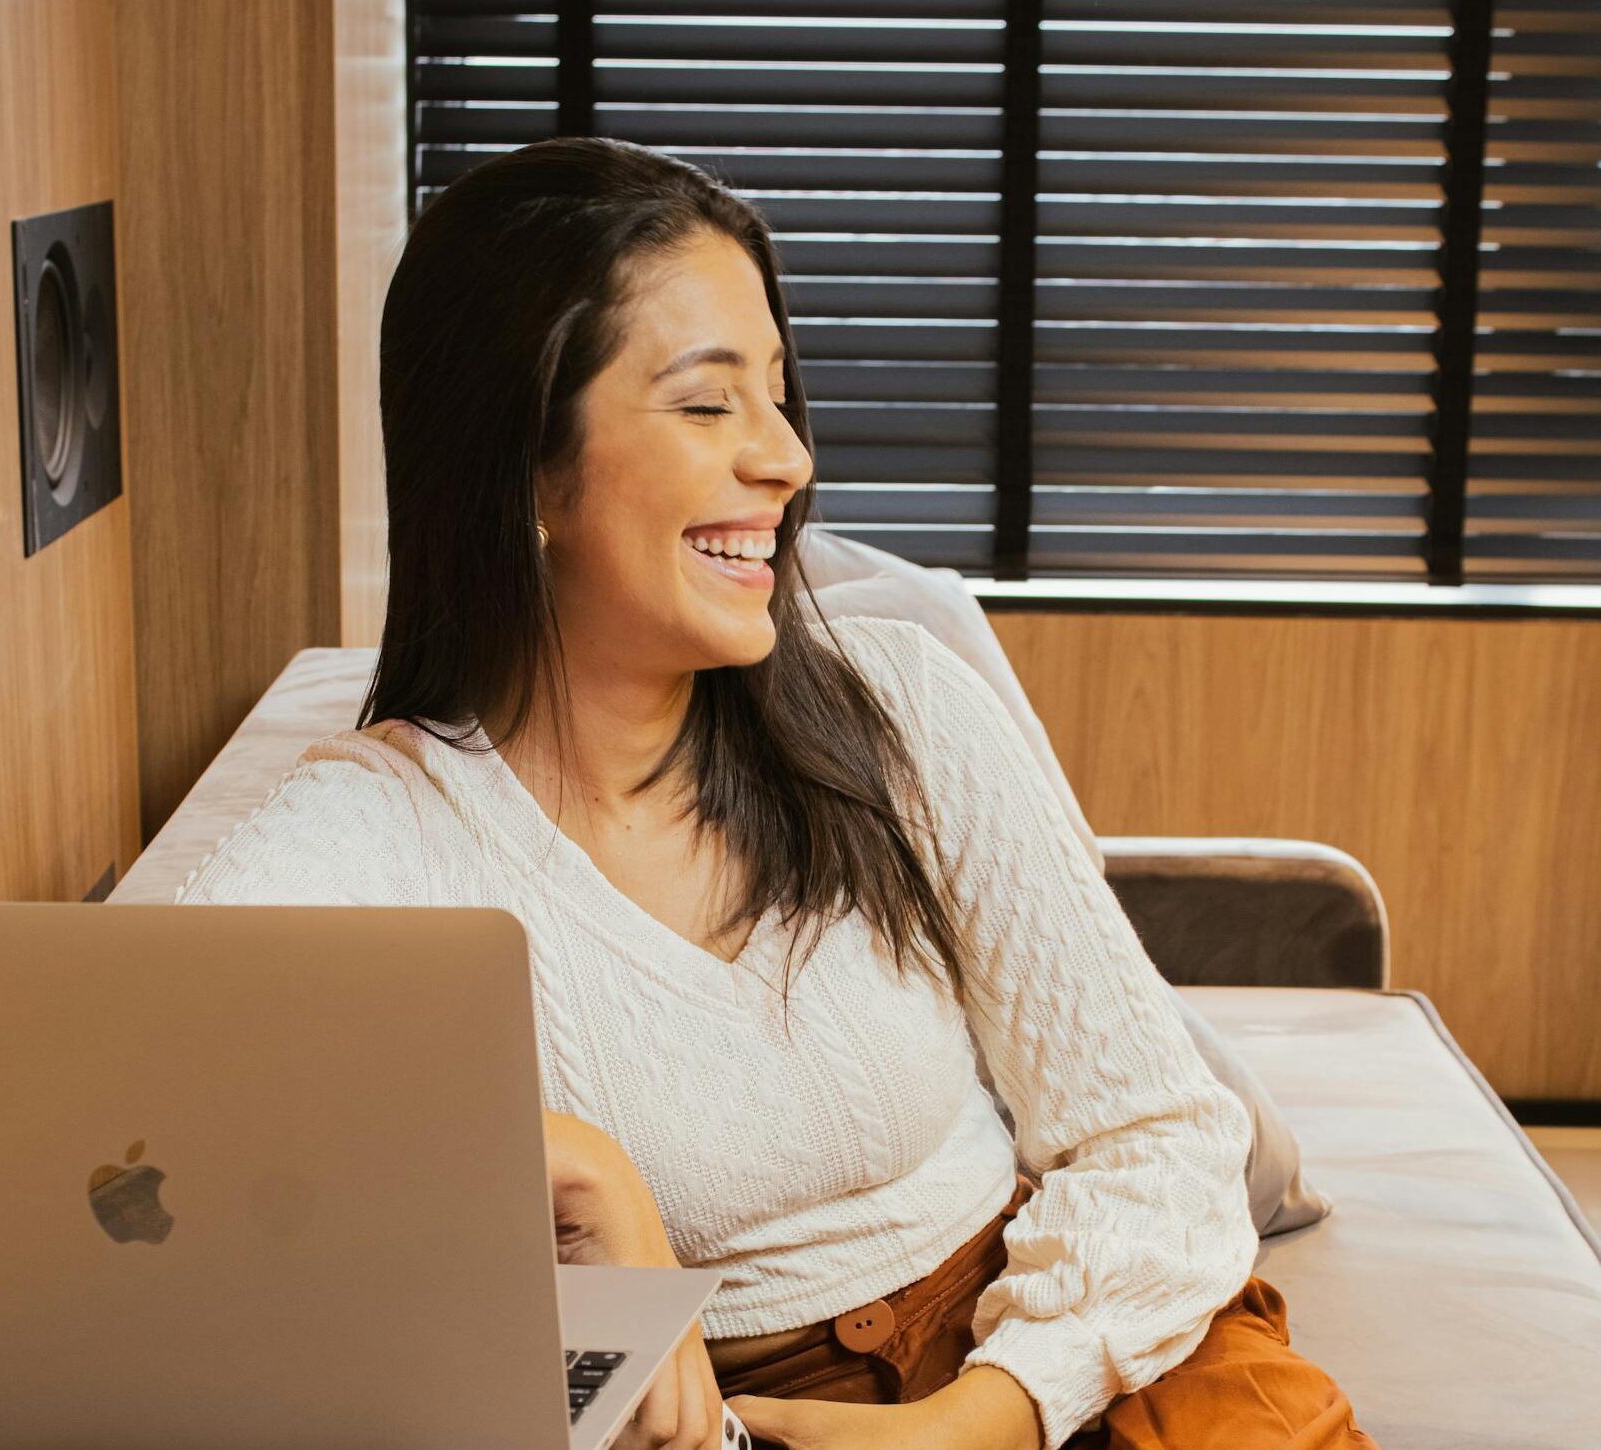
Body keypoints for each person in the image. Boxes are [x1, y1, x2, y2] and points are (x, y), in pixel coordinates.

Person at [177, 136, 1379, 1450]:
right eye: (708, 405)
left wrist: (989, 1410)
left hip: (1060, 1355)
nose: (786, 458)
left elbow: (1150, 1125)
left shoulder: (894, 705)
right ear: (524, 465)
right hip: (731, 1410)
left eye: (777, 394)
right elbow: (121, 1120)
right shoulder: (378, 825)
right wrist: (563, 1156)